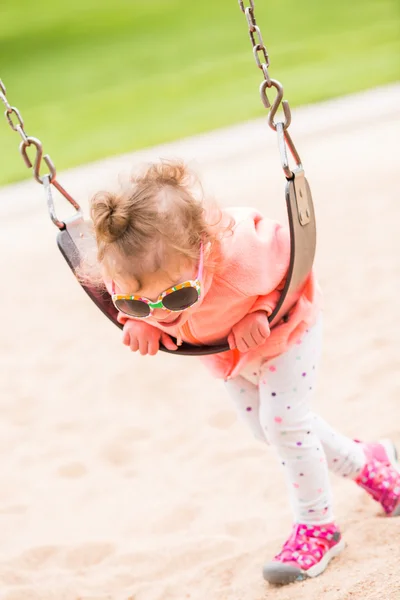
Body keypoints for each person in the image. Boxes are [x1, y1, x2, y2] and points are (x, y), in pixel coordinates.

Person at [87, 159, 400, 585]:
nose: (162, 309)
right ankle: (369, 464)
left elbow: (294, 261)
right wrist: (136, 319)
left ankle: (318, 526)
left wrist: (263, 307)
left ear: (204, 251)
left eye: (177, 297)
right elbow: (137, 296)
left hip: (287, 329)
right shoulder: (131, 271)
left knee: (285, 424)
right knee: (266, 428)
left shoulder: (241, 252)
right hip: (226, 353)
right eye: (140, 301)